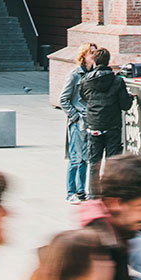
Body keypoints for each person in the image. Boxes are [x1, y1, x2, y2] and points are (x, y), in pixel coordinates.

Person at [79, 49, 133, 197]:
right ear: (108, 61)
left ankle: (93, 195)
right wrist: (130, 98)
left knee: (94, 163)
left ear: (94, 61)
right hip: (112, 127)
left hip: (94, 126)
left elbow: (84, 97)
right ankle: (110, 194)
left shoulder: (85, 80)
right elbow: (125, 105)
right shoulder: (117, 80)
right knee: (113, 163)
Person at [59, 43, 96, 203]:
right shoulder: (75, 74)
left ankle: (81, 191)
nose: (94, 55)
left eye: (95, 53)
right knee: (75, 158)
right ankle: (70, 192)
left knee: (85, 158)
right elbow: (63, 99)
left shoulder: (94, 74)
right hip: (78, 122)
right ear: (84, 55)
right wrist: (76, 117)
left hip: (91, 121)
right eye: (91, 53)